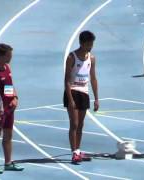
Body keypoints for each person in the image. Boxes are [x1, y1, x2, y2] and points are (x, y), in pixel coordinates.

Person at [0, 43, 24, 171]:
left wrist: (15, 97)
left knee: (8, 136)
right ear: (2, 55)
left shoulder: (7, 67)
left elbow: (10, 86)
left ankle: (8, 163)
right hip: (0, 110)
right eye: (9, 55)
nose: (11, 57)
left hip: (9, 110)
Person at [64, 30, 99, 164]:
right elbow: (66, 80)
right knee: (74, 123)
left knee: (81, 125)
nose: (90, 46)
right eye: (88, 44)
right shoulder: (71, 57)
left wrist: (96, 98)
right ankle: (74, 153)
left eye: (92, 44)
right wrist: (70, 99)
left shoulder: (92, 58)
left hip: (84, 93)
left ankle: (78, 150)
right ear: (82, 43)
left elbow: (93, 78)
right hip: (72, 91)